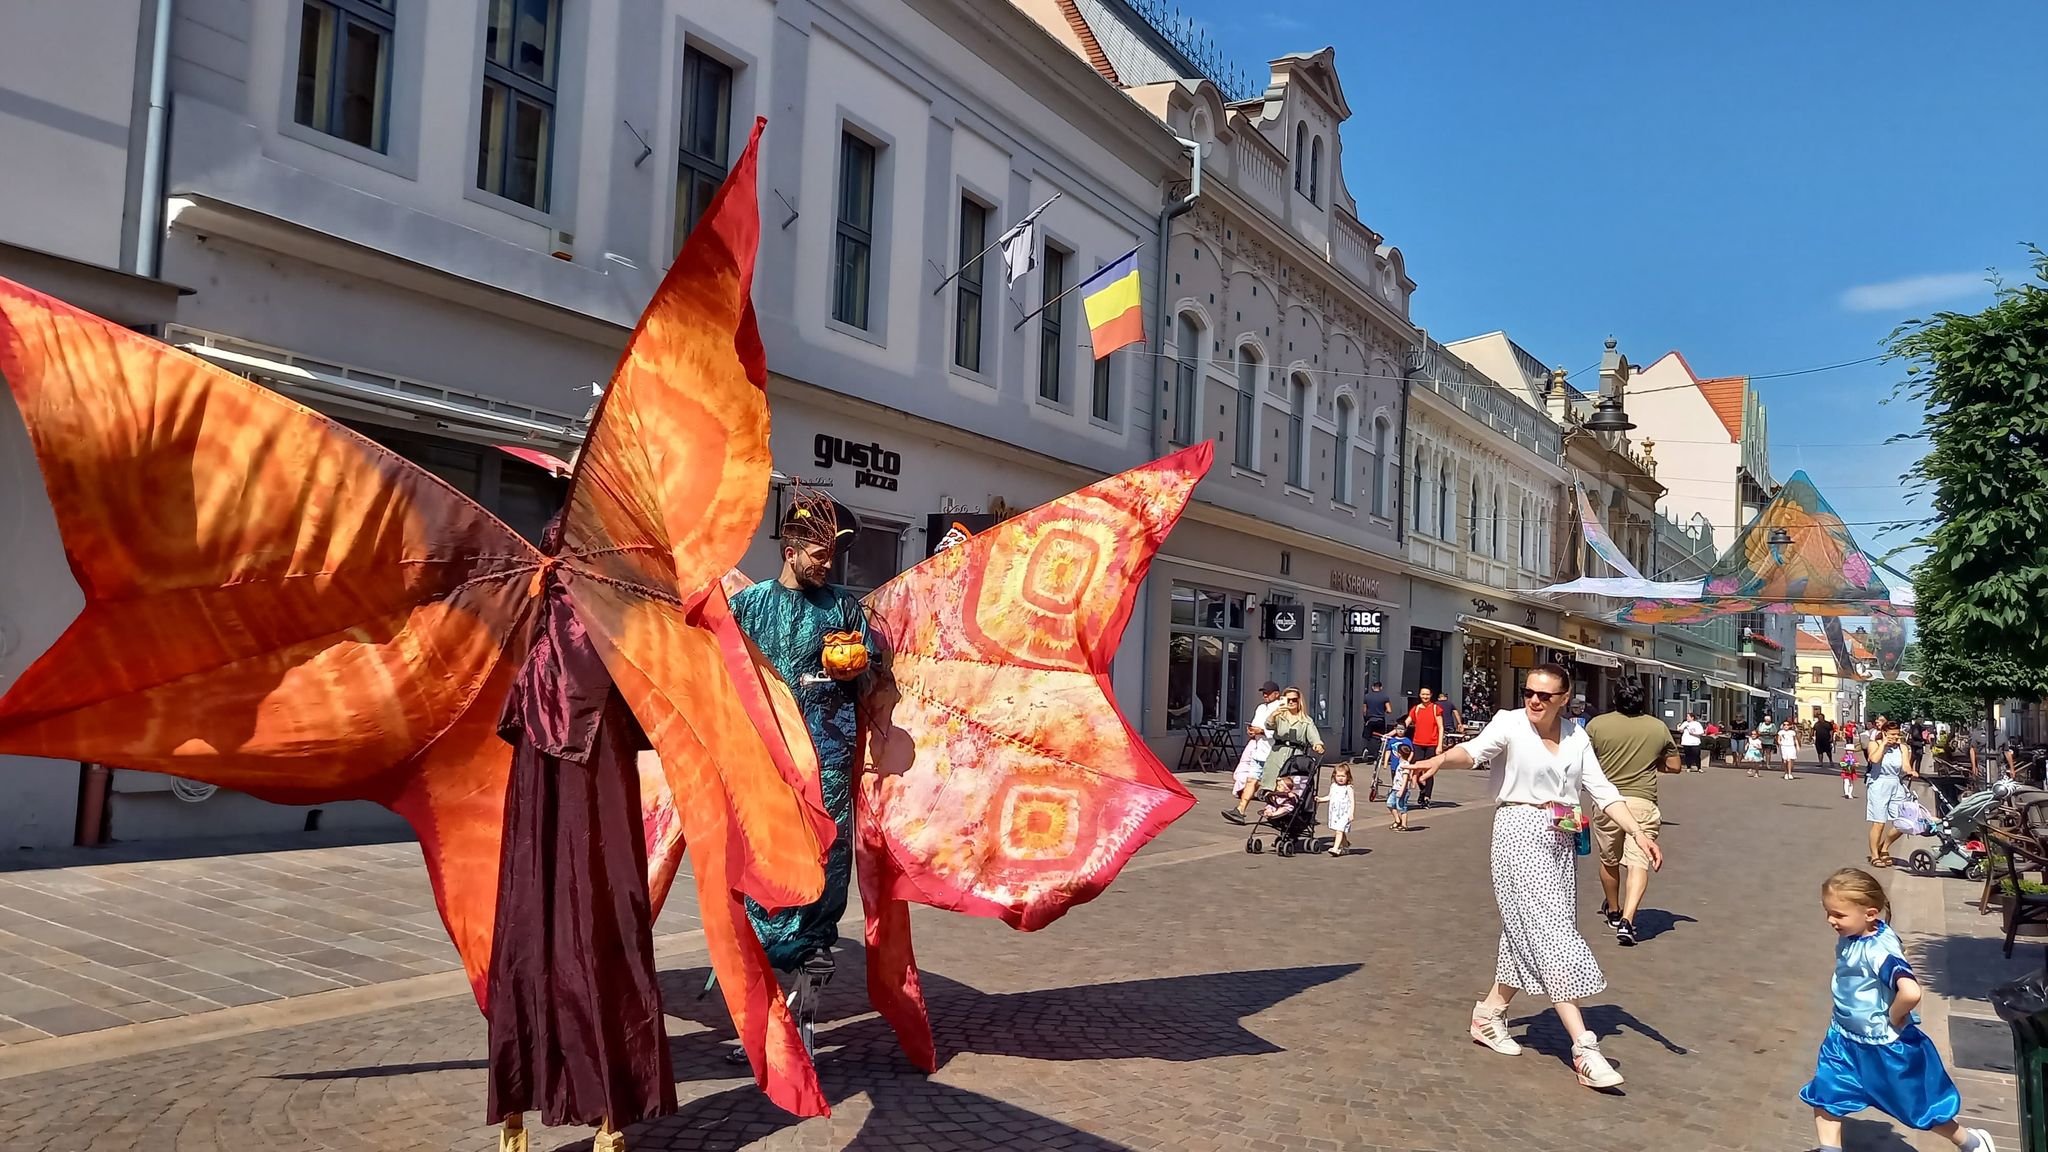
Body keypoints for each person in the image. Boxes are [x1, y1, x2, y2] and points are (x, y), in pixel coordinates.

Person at [1410, 664, 1662, 1090]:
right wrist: (1439, 759)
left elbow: (1602, 790)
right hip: (1518, 833)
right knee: (1552, 935)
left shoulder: (1577, 737)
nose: (1534, 700)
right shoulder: (1510, 724)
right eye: (1529, 692)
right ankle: (1584, 1047)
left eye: (1545, 695)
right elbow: (1473, 751)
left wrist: (1638, 831)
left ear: (1564, 698)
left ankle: (1488, 1015)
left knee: (1526, 930)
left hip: (1561, 838)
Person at [729, 491, 871, 980]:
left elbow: (875, 669)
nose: (828, 564)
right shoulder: (748, 605)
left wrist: (856, 668)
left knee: (829, 846)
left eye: (833, 554)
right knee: (765, 844)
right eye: (819, 554)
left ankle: (811, 938)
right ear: (790, 551)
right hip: (766, 754)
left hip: (828, 748)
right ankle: (765, 940)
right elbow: (720, 667)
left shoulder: (844, 608)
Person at [1800, 868, 1998, 1152]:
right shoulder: (1857, 933)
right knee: (1826, 1094)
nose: (1831, 920)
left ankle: (1972, 1141)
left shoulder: (1878, 951)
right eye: (1828, 912)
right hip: (1843, 1039)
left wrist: (1894, 1016)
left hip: (1884, 1046)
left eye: (1839, 915)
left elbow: (1911, 991)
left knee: (1916, 1107)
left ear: (1869, 913)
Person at [1586, 679, 1679, 946]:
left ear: (1615, 699)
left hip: (1607, 801)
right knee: (1639, 861)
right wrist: (1653, 762)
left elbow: (1583, 760)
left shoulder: (1597, 725)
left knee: (1609, 859)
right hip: (1643, 801)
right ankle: (1628, 919)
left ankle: (1613, 910)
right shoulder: (1657, 727)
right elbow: (1674, 766)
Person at [1227, 687, 1322, 824]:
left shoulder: (1306, 721)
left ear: (1299, 701)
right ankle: (1245, 809)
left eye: (1294, 700)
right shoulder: (1279, 716)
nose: (1290, 703)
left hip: (1294, 755)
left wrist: (1317, 744)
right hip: (1276, 753)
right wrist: (1274, 714)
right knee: (1269, 784)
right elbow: (1269, 725)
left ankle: (1287, 812)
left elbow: (1313, 736)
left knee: (1288, 786)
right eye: (1288, 700)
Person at [1865, 723, 1919, 868]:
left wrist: (1910, 771)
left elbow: (1906, 765)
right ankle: (1875, 855)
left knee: (1903, 822)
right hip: (1878, 783)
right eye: (1892, 734)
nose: (1896, 737)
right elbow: (1874, 759)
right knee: (1879, 823)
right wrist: (1883, 744)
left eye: (1897, 734)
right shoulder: (1874, 744)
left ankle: (1884, 847)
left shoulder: (1902, 748)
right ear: (1884, 733)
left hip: (1896, 783)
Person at [1227, 682, 1285, 817]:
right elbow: (1255, 725)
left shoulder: (1281, 709)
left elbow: (1281, 731)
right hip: (1259, 751)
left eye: (1268, 692)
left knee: (1274, 785)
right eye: (1264, 692)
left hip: (1273, 753)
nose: (1265, 695)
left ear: (1277, 694)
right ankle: (1240, 809)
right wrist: (1252, 731)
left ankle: (1276, 811)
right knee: (1251, 780)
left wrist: (1263, 732)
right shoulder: (1260, 708)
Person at [1404, 687, 1460, 809]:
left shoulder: (1436, 708)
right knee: (1417, 769)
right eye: (1423, 694)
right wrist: (1397, 730)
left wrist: (1439, 745)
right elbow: (1406, 723)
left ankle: (1426, 797)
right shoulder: (1416, 709)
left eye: (1427, 695)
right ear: (1419, 695)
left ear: (1431, 695)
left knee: (1429, 771)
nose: (1425, 697)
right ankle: (1422, 791)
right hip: (1418, 743)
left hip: (1432, 744)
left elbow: (1441, 727)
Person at [1321, 764, 1357, 856]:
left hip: (1344, 813)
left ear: (1348, 776)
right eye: (1338, 776)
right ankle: (1345, 848)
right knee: (1340, 830)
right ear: (1334, 776)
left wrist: (1351, 813)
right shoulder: (1333, 786)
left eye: (1343, 776)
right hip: (1335, 812)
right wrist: (1320, 799)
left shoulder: (1348, 788)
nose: (1340, 778)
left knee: (1339, 831)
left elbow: (1352, 801)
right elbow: (1330, 797)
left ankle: (1335, 848)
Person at [1361, 679, 1395, 761]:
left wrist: (1365, 719)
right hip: (1380, 720)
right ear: (1381, 687)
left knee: (1366, 737)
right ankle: (1377, 755)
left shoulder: (1367, 696)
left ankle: (1366, 749)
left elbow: (1364, 710)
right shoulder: (1384, 697)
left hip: (1370, 720)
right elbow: (1389, 710)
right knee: (1380, 738)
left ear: (1372, 687)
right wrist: (1383, 710)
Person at [1387, 744, 1414, 831]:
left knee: (1401, 807)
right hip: (1395, 788)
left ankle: (1404, 825)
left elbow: (1405, 778)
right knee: (1390, 804)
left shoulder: (1405, 765)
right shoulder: (1400, 763)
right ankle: (1397, 820)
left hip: (1401, 789)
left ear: (1399, 754)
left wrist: (1402, 790)